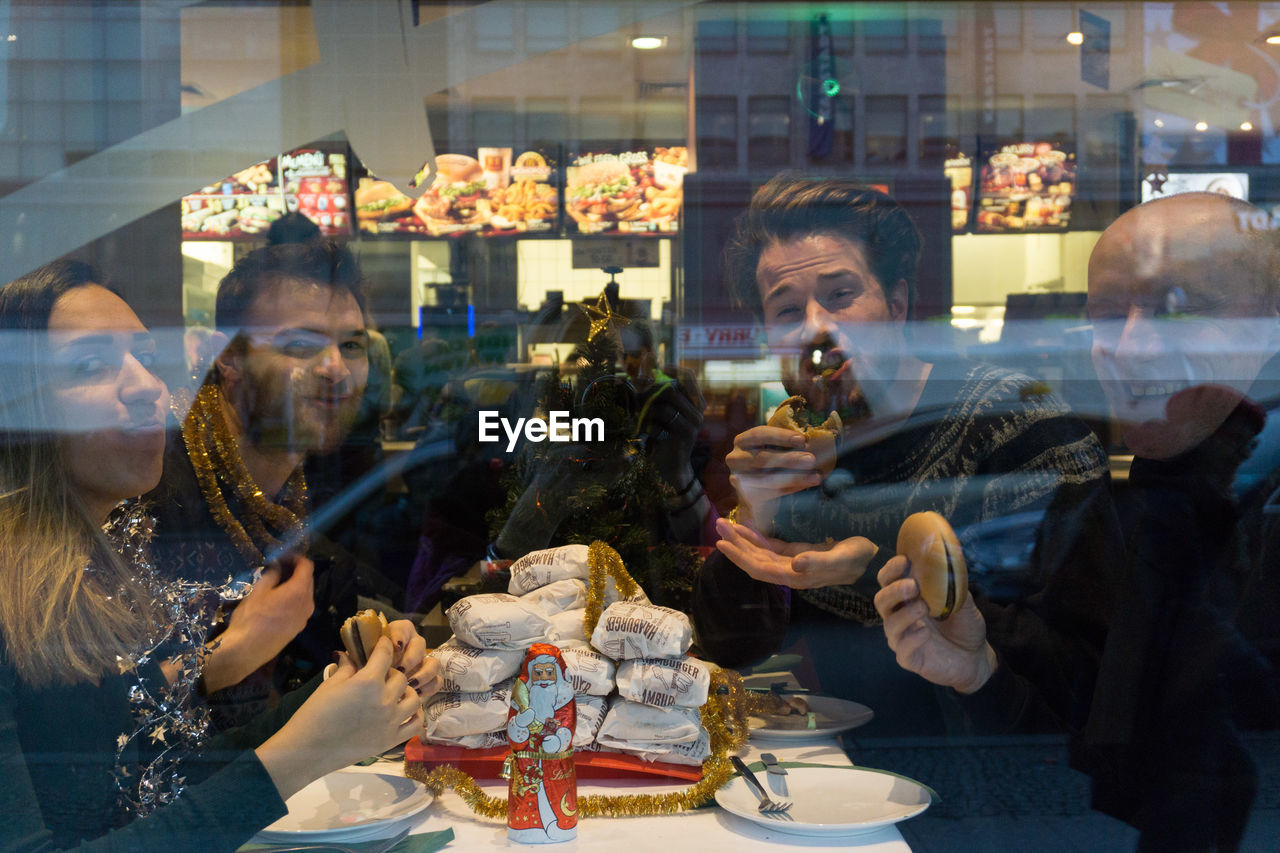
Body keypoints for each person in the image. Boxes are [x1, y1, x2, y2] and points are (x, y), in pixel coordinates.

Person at [878, 192, 1280, 849]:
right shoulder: (1110, 511)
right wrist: (978, 669)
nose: (1130, 347)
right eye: (1106, 314)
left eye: (1179, 308)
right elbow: (1084, 767)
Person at [0, 260, 438, 851]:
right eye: (89, 365)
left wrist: (350, 691)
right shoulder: (137, 531)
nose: (146, 387)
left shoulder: (94, 567)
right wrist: (306, 746)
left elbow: (155, 778)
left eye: (146, 360)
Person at [693, 176, 1120, 737]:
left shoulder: (1019, 428)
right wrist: (760, 520)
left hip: (992, 800)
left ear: (896, 304)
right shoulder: (811, 451)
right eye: (787, 309)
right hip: (847, 787)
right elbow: (732, 647)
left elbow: (1090, 677)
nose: (817, 326)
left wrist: (879, 571)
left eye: (841, 294)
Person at [146, 239, 375, 726]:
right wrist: (232, 654)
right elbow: (77, 721)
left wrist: (385, 646)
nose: (336, 368)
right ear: (228, 357)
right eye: (301, 344)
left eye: (351, 345)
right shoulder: (148, 482)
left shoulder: (313, 484)